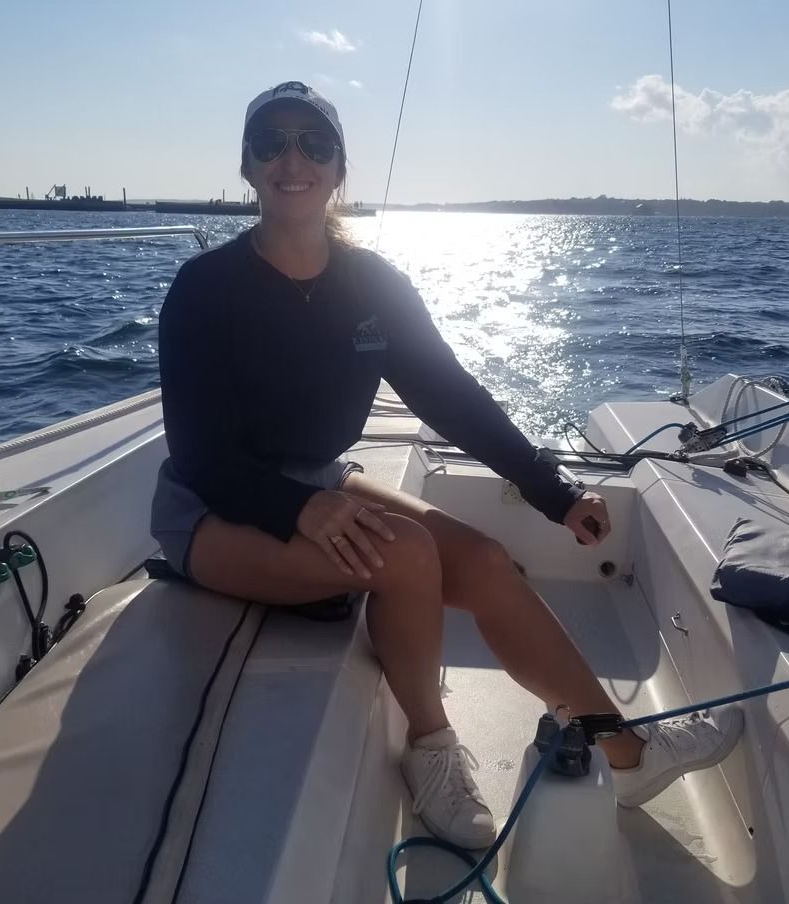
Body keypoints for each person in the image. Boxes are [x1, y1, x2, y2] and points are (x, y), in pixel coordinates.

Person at [151, 80, 743, 850]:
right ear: (247, 164)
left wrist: (551, 490)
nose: (292, 158)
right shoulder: (205, 289)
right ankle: (430, 750)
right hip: (212, 510)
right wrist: (297, 509)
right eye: (272, 141)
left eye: (313, 142)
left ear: (338, 168)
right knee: (406, 557)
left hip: (317, 485)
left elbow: (450, 396)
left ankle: (626, 753)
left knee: (488, 562)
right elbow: (197, 453)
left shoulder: (374, 286)